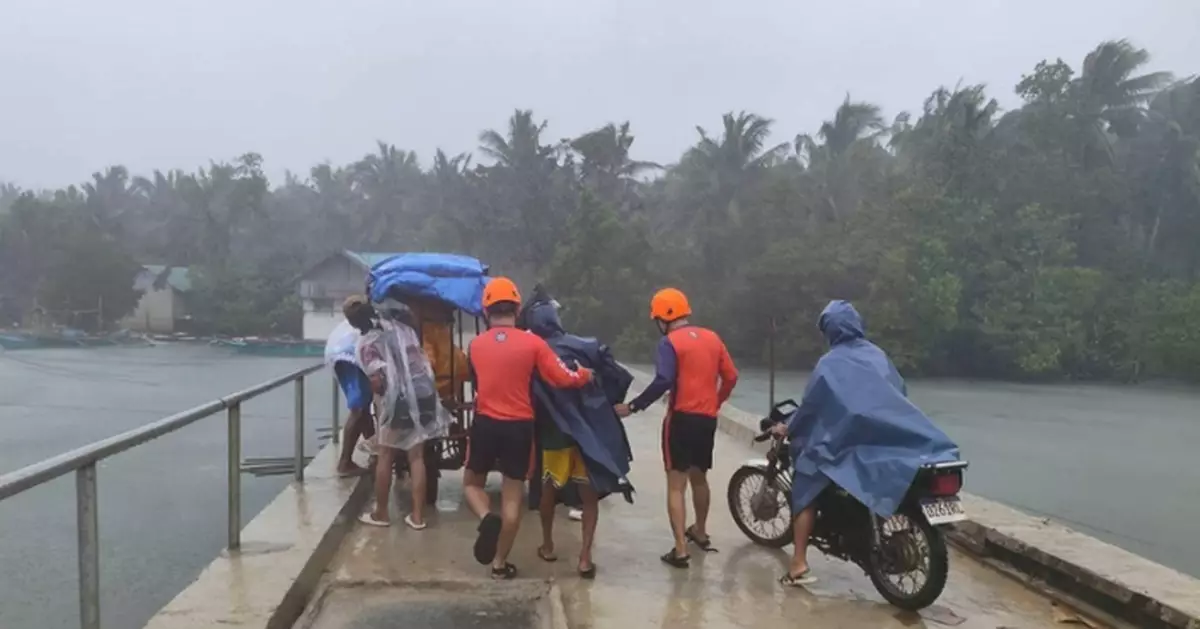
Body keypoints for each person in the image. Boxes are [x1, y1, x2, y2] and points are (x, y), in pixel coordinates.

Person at [770, 300, 959, 587]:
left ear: (830, 331)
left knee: (805, 484)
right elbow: (899, 392)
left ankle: (798, 563)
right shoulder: (879, 356)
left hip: (846, 443)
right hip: (885, 438)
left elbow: (811, 407)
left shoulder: (828, 364)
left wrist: (790, 427)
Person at [463, 277, 593, 580]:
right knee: (512, 497)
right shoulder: (533, 343)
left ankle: (485, 517)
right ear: (517, 309)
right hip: (519, 428)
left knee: (471, 484)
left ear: (486, 311)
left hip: (485, 423)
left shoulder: (475, 346)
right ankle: (499, 564)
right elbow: (562, 378)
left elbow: (477, 383)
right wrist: (584, 375)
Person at [616, 288, 738, 568]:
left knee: (675, 485)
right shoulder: (713, 338)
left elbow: (663, 380)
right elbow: (731, 376)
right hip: (707, 419)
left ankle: (680, 549)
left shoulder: (669, 343)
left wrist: (633, 406)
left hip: (681, 418)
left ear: (663, 318)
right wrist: (715, 402)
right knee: (699, 477)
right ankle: (701, 530)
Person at [519, 285, 635, 579]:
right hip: (589, 436)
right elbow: (617, 377)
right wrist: (604, 404)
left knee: (547, 489)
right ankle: (584, 557)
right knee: (589, 496)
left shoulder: (532, 352)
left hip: (553, 434)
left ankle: (547, 545)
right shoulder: (587, 345)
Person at [347, 296, 451, 530]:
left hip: (399, 401)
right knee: (417, 456)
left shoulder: (366, 343)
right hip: (424, 395)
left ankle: (381, 514)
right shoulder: (404, 329)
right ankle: (417, 517)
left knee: (386, 455)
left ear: (353, 324)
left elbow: (378, 382)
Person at [326, 297, 377, 477]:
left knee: (363, 407)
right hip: (350, 360)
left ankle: (374, 453)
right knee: (358, 408)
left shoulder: (351, 325)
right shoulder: (365, 324)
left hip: (344, 357)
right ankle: (345, 462)